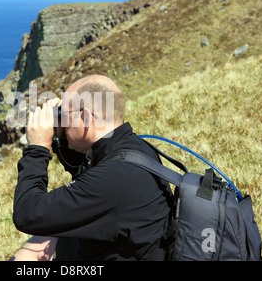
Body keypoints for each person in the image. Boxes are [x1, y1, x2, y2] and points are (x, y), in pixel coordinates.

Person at [11, 75, 172, 261]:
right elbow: (80, 168)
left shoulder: (112, 179)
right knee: (43, 238)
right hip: (119, 247)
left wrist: (38, 148)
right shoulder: (134, 150)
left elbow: (27, 214)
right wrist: (59, 135)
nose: (62, 120)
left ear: (87, 117)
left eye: (64, 115)